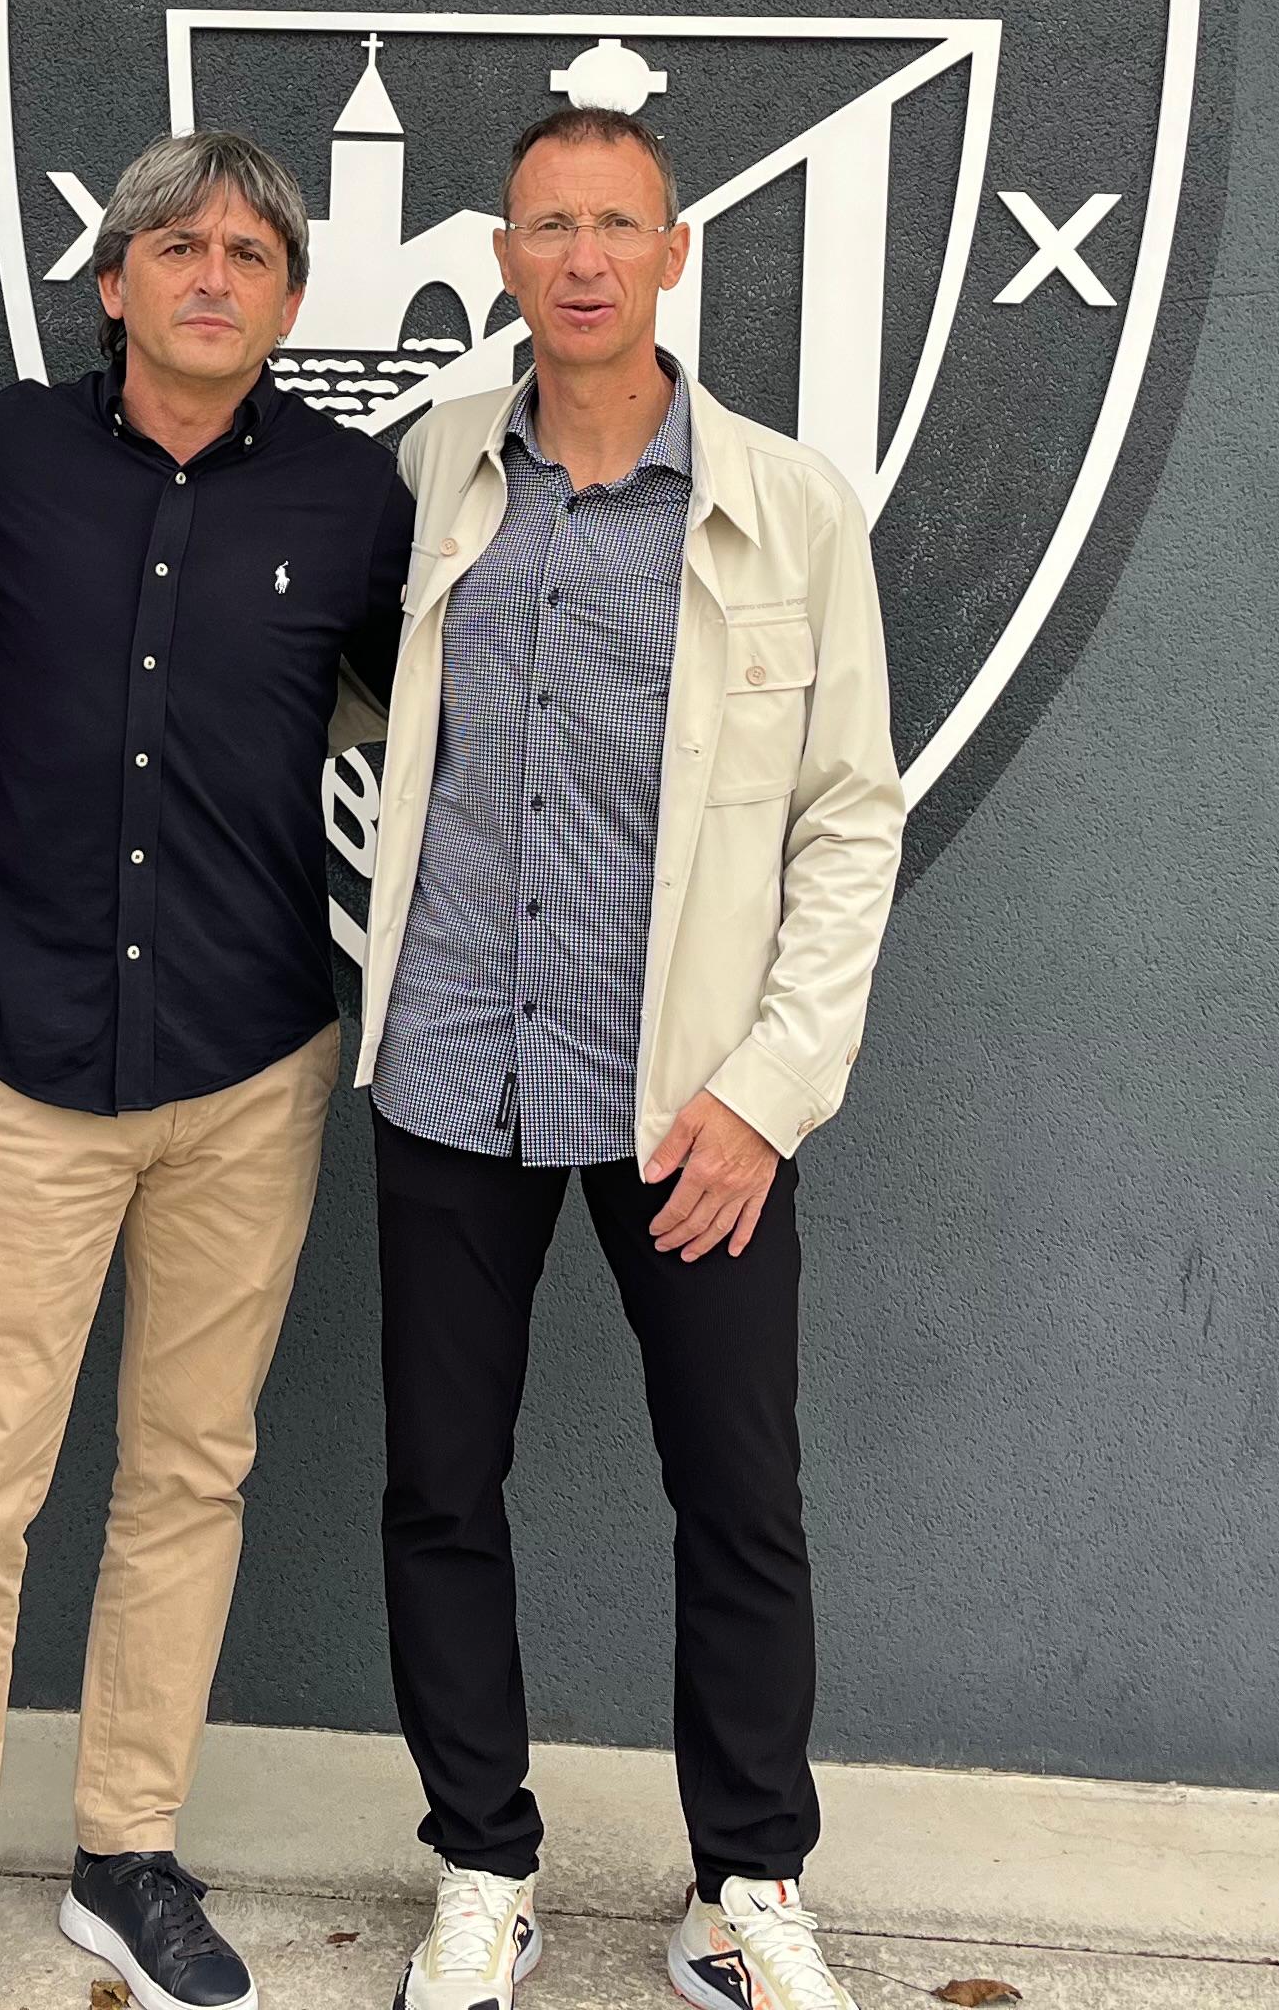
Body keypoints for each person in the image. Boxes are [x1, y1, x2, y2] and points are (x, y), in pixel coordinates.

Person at [0, 130, 413, 2010]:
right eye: (176, 244)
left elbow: (464, 716)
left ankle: (125, 1853)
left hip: (249, 1062)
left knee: (190, 1473)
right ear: (112, 284)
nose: (212, 274)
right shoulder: (11, 455)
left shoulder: (354, 499)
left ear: (289, 298)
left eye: (251, 250)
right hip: (26, 1053)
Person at [356, 106, 903, 2010]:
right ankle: (479, 1866)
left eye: (618, 224)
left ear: (676, 255)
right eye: (544, 225)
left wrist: (769, 1093)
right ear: (501, 255)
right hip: (452, 1073)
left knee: (740, 1494)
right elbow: (353, 684)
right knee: (442, 1483)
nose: (581, 256)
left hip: (693, 1099)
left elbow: (850, 821)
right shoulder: (431, 473)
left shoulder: (788, 505)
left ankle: (745, 1887)